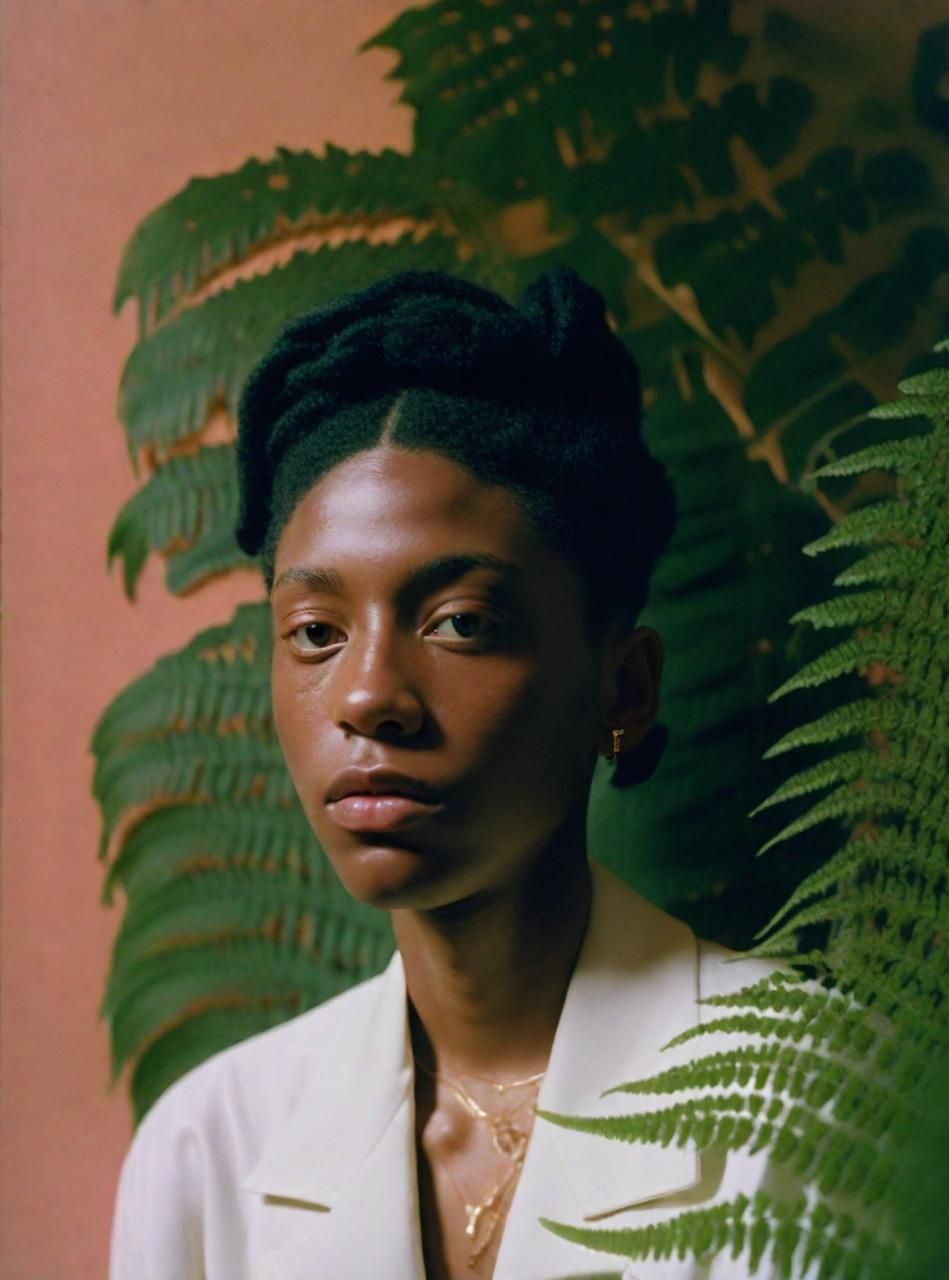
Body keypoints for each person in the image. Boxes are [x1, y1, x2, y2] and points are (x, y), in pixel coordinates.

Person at [109, 267, 782, 1280]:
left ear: (624, 687)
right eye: (316, 631)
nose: (369, 693)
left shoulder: (820, 1106)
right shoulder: (206, 1151)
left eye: (461, 621)